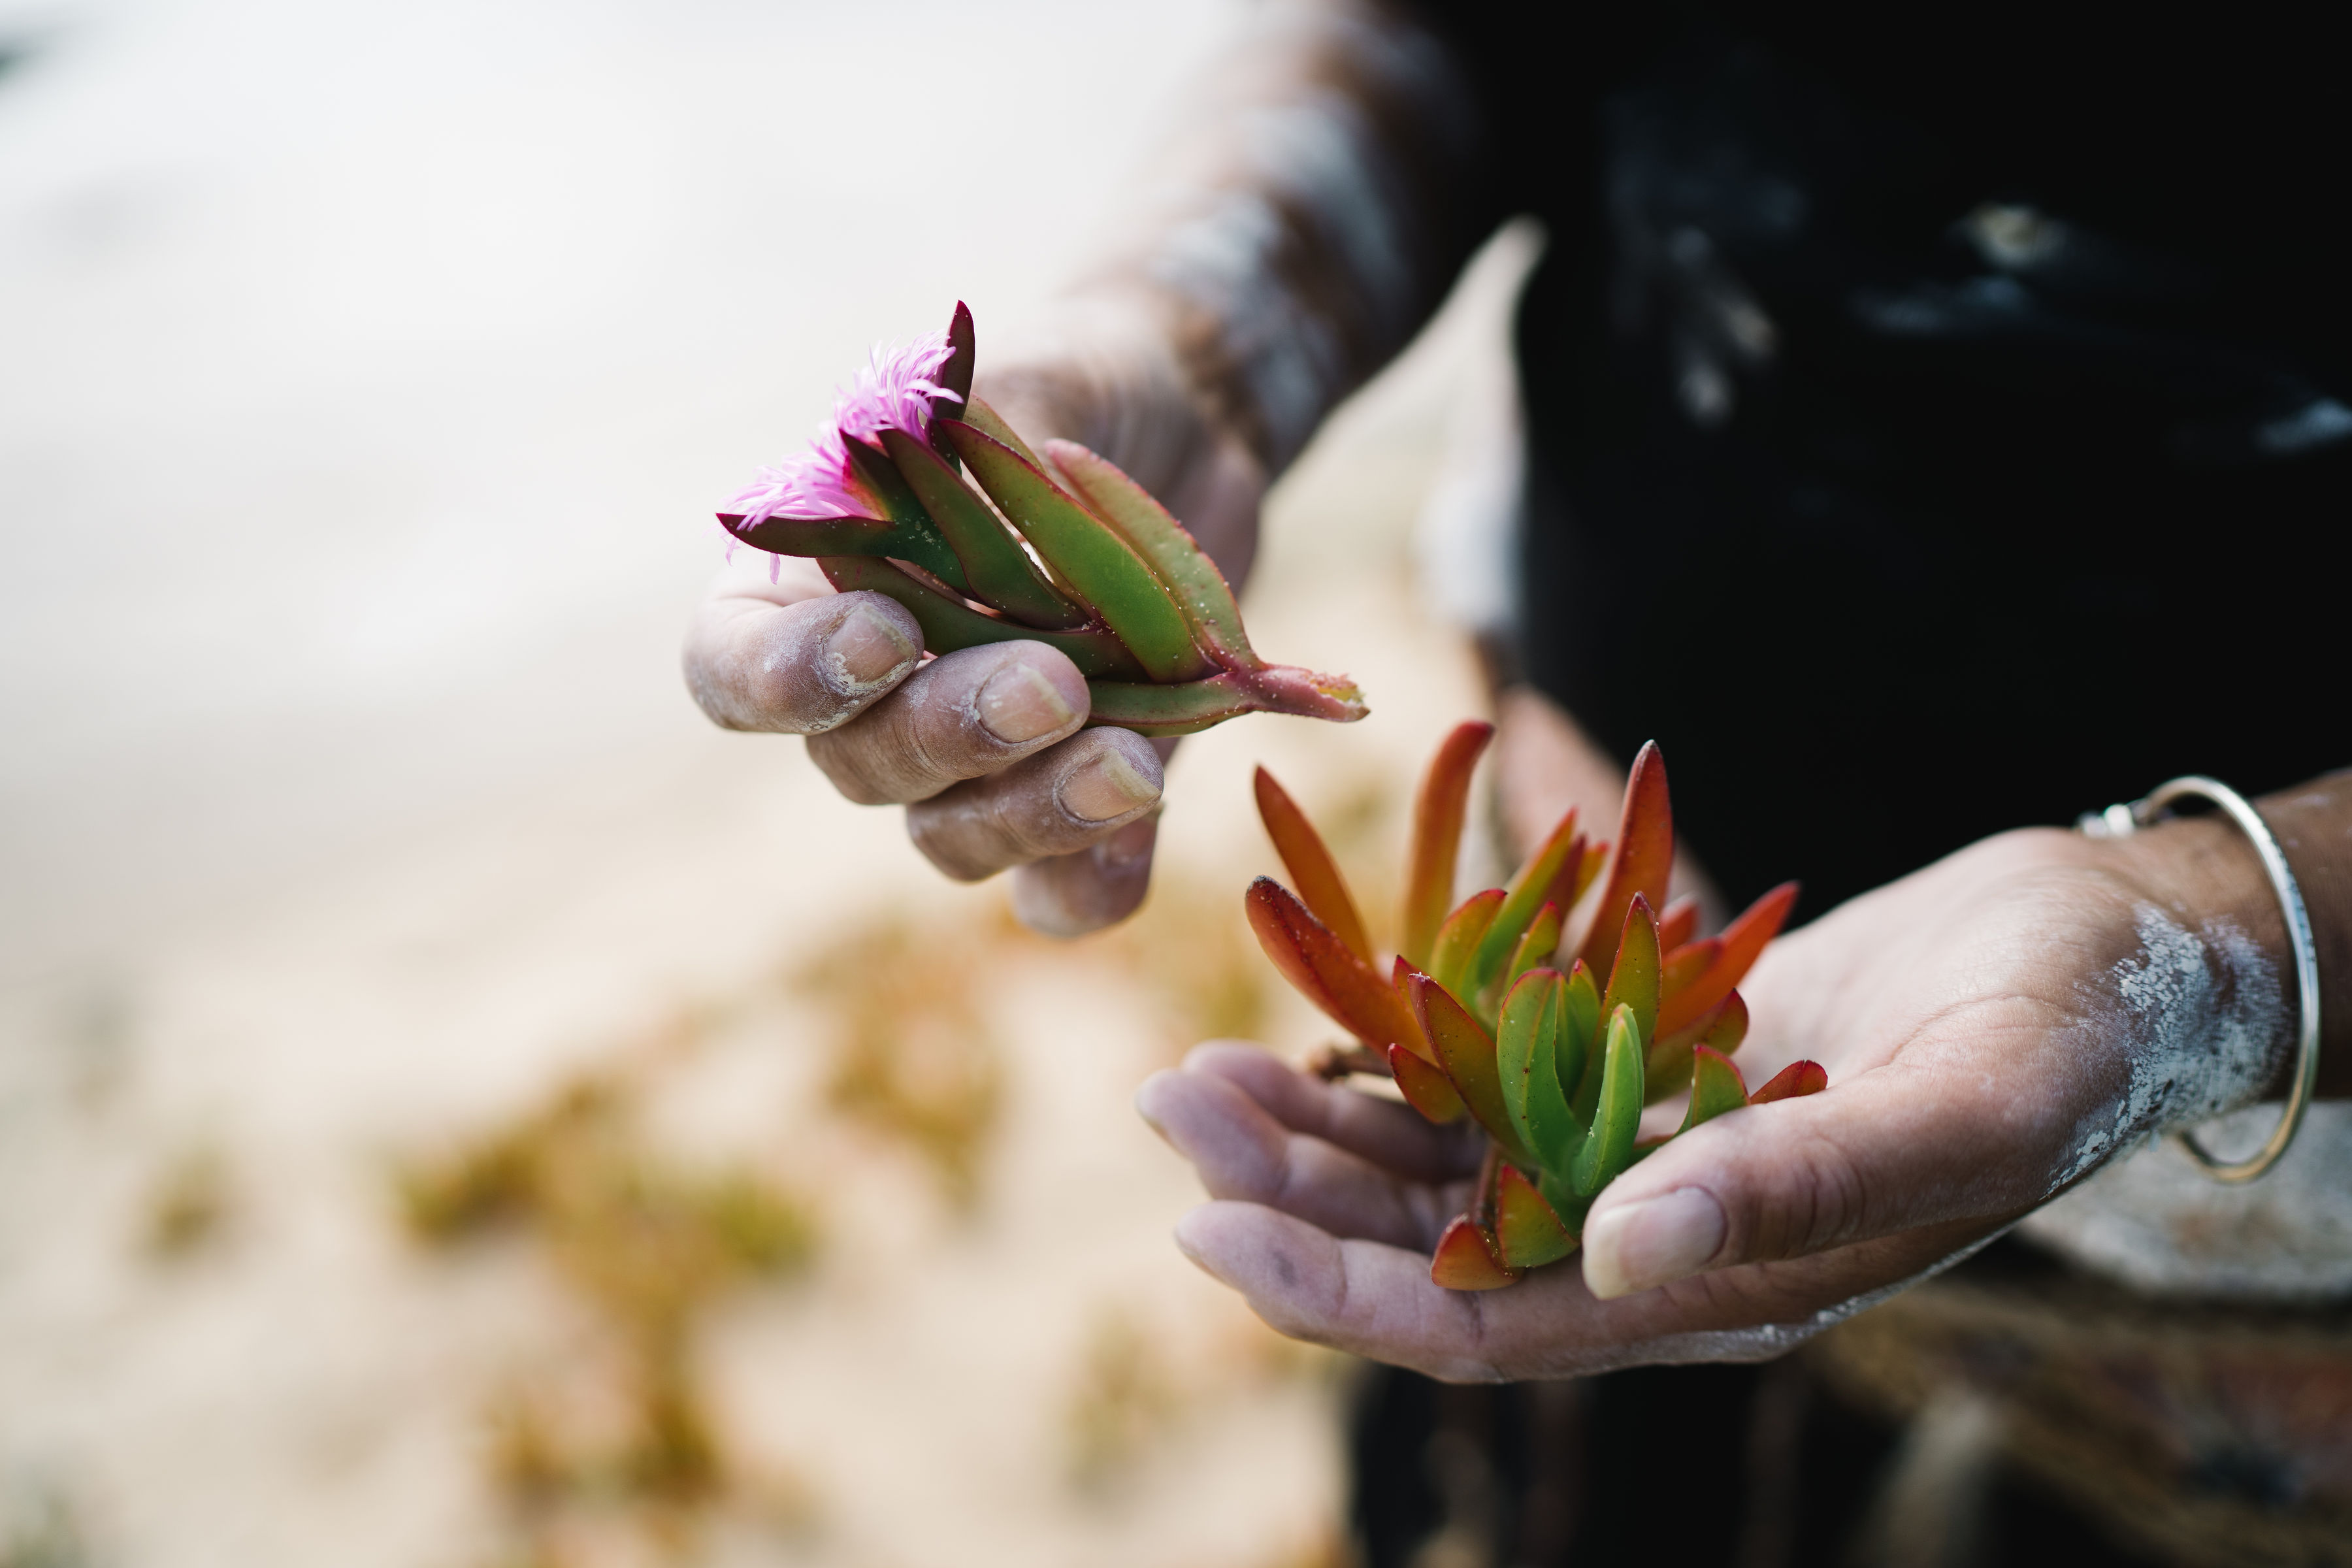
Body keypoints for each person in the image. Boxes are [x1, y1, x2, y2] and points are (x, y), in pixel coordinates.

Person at [685, 4, 2352, 1560]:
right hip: (1585, 991)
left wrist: (2228, 940)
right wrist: (1199, 336)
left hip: (2268, 1258)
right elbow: (1466, 34)